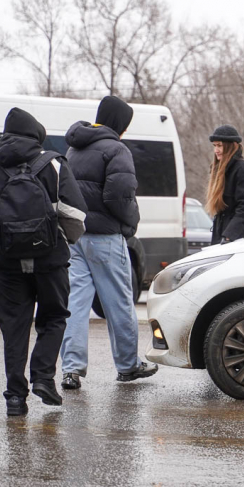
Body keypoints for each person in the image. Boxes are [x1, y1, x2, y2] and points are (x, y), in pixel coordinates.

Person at [0, 107, 87, 416]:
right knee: (54, 317)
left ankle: (14, 398)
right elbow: (76, 217)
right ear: (36, 135)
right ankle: (44, 378)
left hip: (8, 264)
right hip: (50, 261)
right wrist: (62, 244)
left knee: (14, 328)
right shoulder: (54, 165)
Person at [60, 96, 158, 390]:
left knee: (75, 304)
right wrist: (130, 225)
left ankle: (71, 369)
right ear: (119, 124)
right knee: (119, 303)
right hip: (105, 238)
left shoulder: (74, 147)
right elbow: (120, 196)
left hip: (75, 237)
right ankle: (128, 366)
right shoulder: (117, 149)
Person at [206, 124, 244, 245]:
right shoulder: (219, 169)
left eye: (219, 145)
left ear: (230, 146)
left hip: (241, 238)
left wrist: (228, 236)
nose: (216, 150)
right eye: (214, 146)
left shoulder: (242, 168)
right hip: (224, 234)